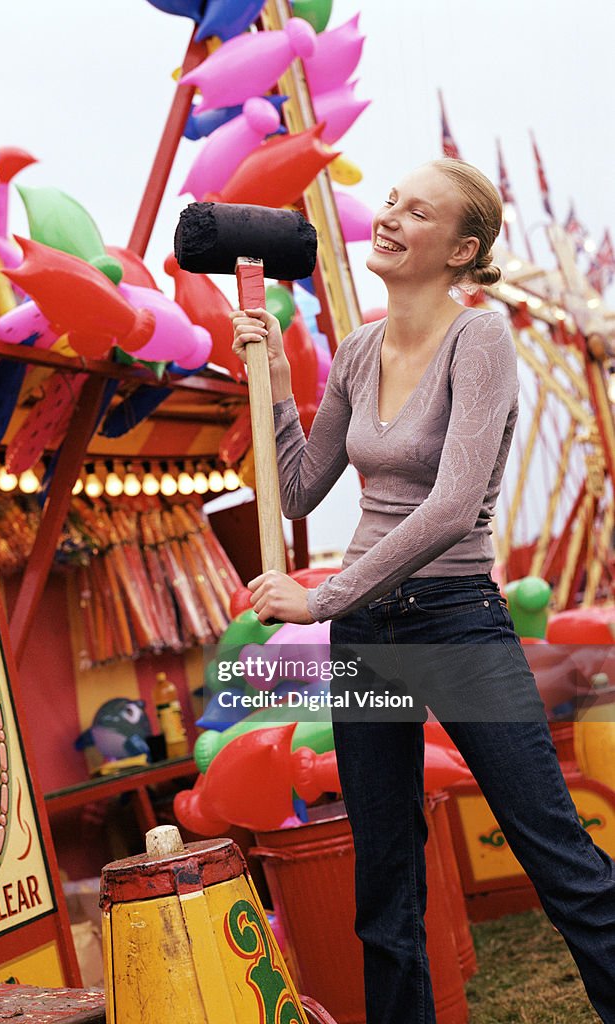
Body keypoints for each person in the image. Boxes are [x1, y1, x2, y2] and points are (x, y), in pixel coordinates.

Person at [231, 158, 615, 1023]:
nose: (393, 216)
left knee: (559, 862)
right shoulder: (360, 349)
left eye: (419, 211)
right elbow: (296, 489)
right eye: (393, 201)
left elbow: (448, 508)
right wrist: (274, 382)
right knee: (385, 889)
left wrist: (318, 598)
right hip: (367, 631)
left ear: (461, 249)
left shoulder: (479, 339)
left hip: (451, 620)